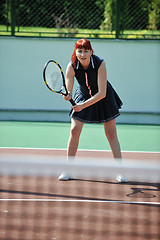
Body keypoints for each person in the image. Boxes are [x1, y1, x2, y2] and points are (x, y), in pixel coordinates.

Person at [59, 38, 128, 183]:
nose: (82, 54)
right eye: (79, 51)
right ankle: (68, 169)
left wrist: (82, 106)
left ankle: (120, 171)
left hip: (104, 97)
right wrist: (67, 95)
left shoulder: (100, 63)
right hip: (83, 94)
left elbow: (101, 93)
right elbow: (68, 89)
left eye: (86, 51)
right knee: (74, 130)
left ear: (91, 51)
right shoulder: (71, 66)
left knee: (111, 133)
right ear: (75, 51)